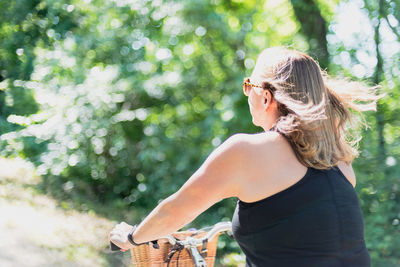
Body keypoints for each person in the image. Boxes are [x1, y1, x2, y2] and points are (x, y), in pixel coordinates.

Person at [109, 47, 380, 266]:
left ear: (266, 97)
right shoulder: (341, 165)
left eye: (248, 84)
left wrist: (131, 238)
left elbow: (177, 208)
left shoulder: (247, 150)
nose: (246, 92)